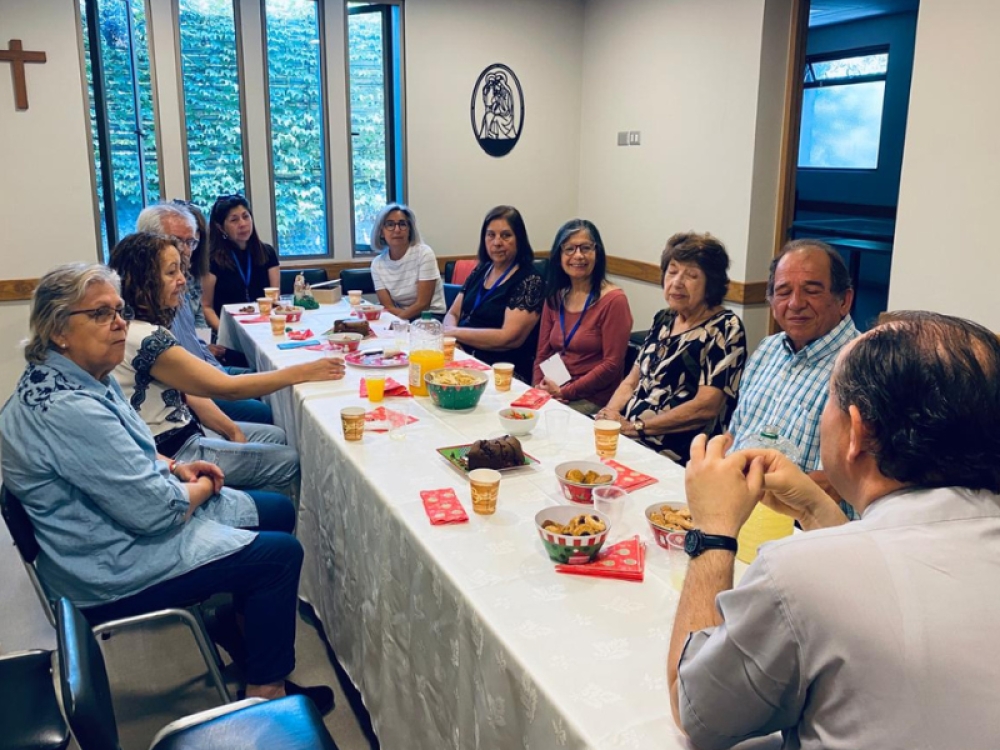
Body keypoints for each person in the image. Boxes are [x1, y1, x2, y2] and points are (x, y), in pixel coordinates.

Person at [0, 262, 333, 711]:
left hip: (105, 533)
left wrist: (176, 467)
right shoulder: (68, 409)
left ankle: (242, 630)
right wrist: (204, 487)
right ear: (58, 329)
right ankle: (266, 695)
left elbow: (129, 449)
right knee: (280, 555)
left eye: (118, 310)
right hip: (107, 568)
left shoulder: (75, 374)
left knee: (277, 511)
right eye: (100, 314)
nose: (119, 323)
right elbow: (157, 513)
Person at [668, 311, 1000, 749]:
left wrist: (713, 531)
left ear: (857, 431)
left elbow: (698, 710)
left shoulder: (795, 574)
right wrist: (814, 508)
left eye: (829, 399)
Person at [109, 233, 345, 492]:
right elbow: (228, 388)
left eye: (180, 270)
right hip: (174, 448)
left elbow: (190, 392)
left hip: (184, 429)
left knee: (276, 435)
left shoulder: (140, 327)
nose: (182, 280)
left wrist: (231, 429)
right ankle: (256, 508)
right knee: (288, 461)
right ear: (142, 281)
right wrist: (304, 371)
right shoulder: (145, 337)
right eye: (171, 272)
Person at [596, 232, 746, 464]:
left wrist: (637, 428)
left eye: (691, 275)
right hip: (629, 437)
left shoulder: (725, 328)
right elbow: (631, 382)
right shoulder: (664, 318)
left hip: (674, 453)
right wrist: (610, 416)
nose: (677, 282)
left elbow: (706, 407)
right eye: (672, 271)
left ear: (711, 284)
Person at [727, 239, 858, 477]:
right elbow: (735, 435)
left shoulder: (865, 366)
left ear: (844, 301)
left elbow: (840, 482)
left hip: (793, 501)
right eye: (784, 292)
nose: (795, 303)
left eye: (812, 291)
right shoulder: (768, 349)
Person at [137, 203, 272, 425]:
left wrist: (215, 365)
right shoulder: (148, 298)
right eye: (177, 241)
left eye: (190, 242)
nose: (186, 250)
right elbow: (182, 374)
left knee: (263, 378)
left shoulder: (182, 280)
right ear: (149, 241)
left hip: (205, 367)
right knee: (264, 409)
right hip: (191, 387)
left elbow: (192, 337)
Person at [532, 219, 632, 414]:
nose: (578, 255)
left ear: (597, 253)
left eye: (586, 248)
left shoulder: (614, 300)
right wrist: (538, 387)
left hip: (593, 398)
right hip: (553, 390)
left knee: (544, 420)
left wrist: (565, 392)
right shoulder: (555, 295)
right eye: (569, 249)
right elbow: (542, 353)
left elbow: (612, 365)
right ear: (559, 255)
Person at [443, 205, 544, 381]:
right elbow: (453, 313)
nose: (497, 242)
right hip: (464, 358)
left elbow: (508, 337)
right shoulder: (481, 269)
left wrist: (454, 333)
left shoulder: (530, 280)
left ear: (519, 239)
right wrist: (453, 340)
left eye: (506, 235)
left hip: (502, 372)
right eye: (491, 235)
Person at [201, 194, 280, 333]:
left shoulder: (267, 252)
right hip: (229, 331)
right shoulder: (212, 259)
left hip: (264, 328)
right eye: (234, 220)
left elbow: (275, 298)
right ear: (220, 228)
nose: (243, 224)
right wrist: (226, 335)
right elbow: (206, 306)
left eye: (246, 216)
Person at [369, 203, 446, 319]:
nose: (397, 230)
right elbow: (388, 306)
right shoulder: (377, 264)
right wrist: (400, 322)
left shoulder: (424, 253)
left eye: (402, 224)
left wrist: (396, 323)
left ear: (409, 229)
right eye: (390, 225)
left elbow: (423, 304)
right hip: (400, 316)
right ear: (381, 232)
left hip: (430, 317)